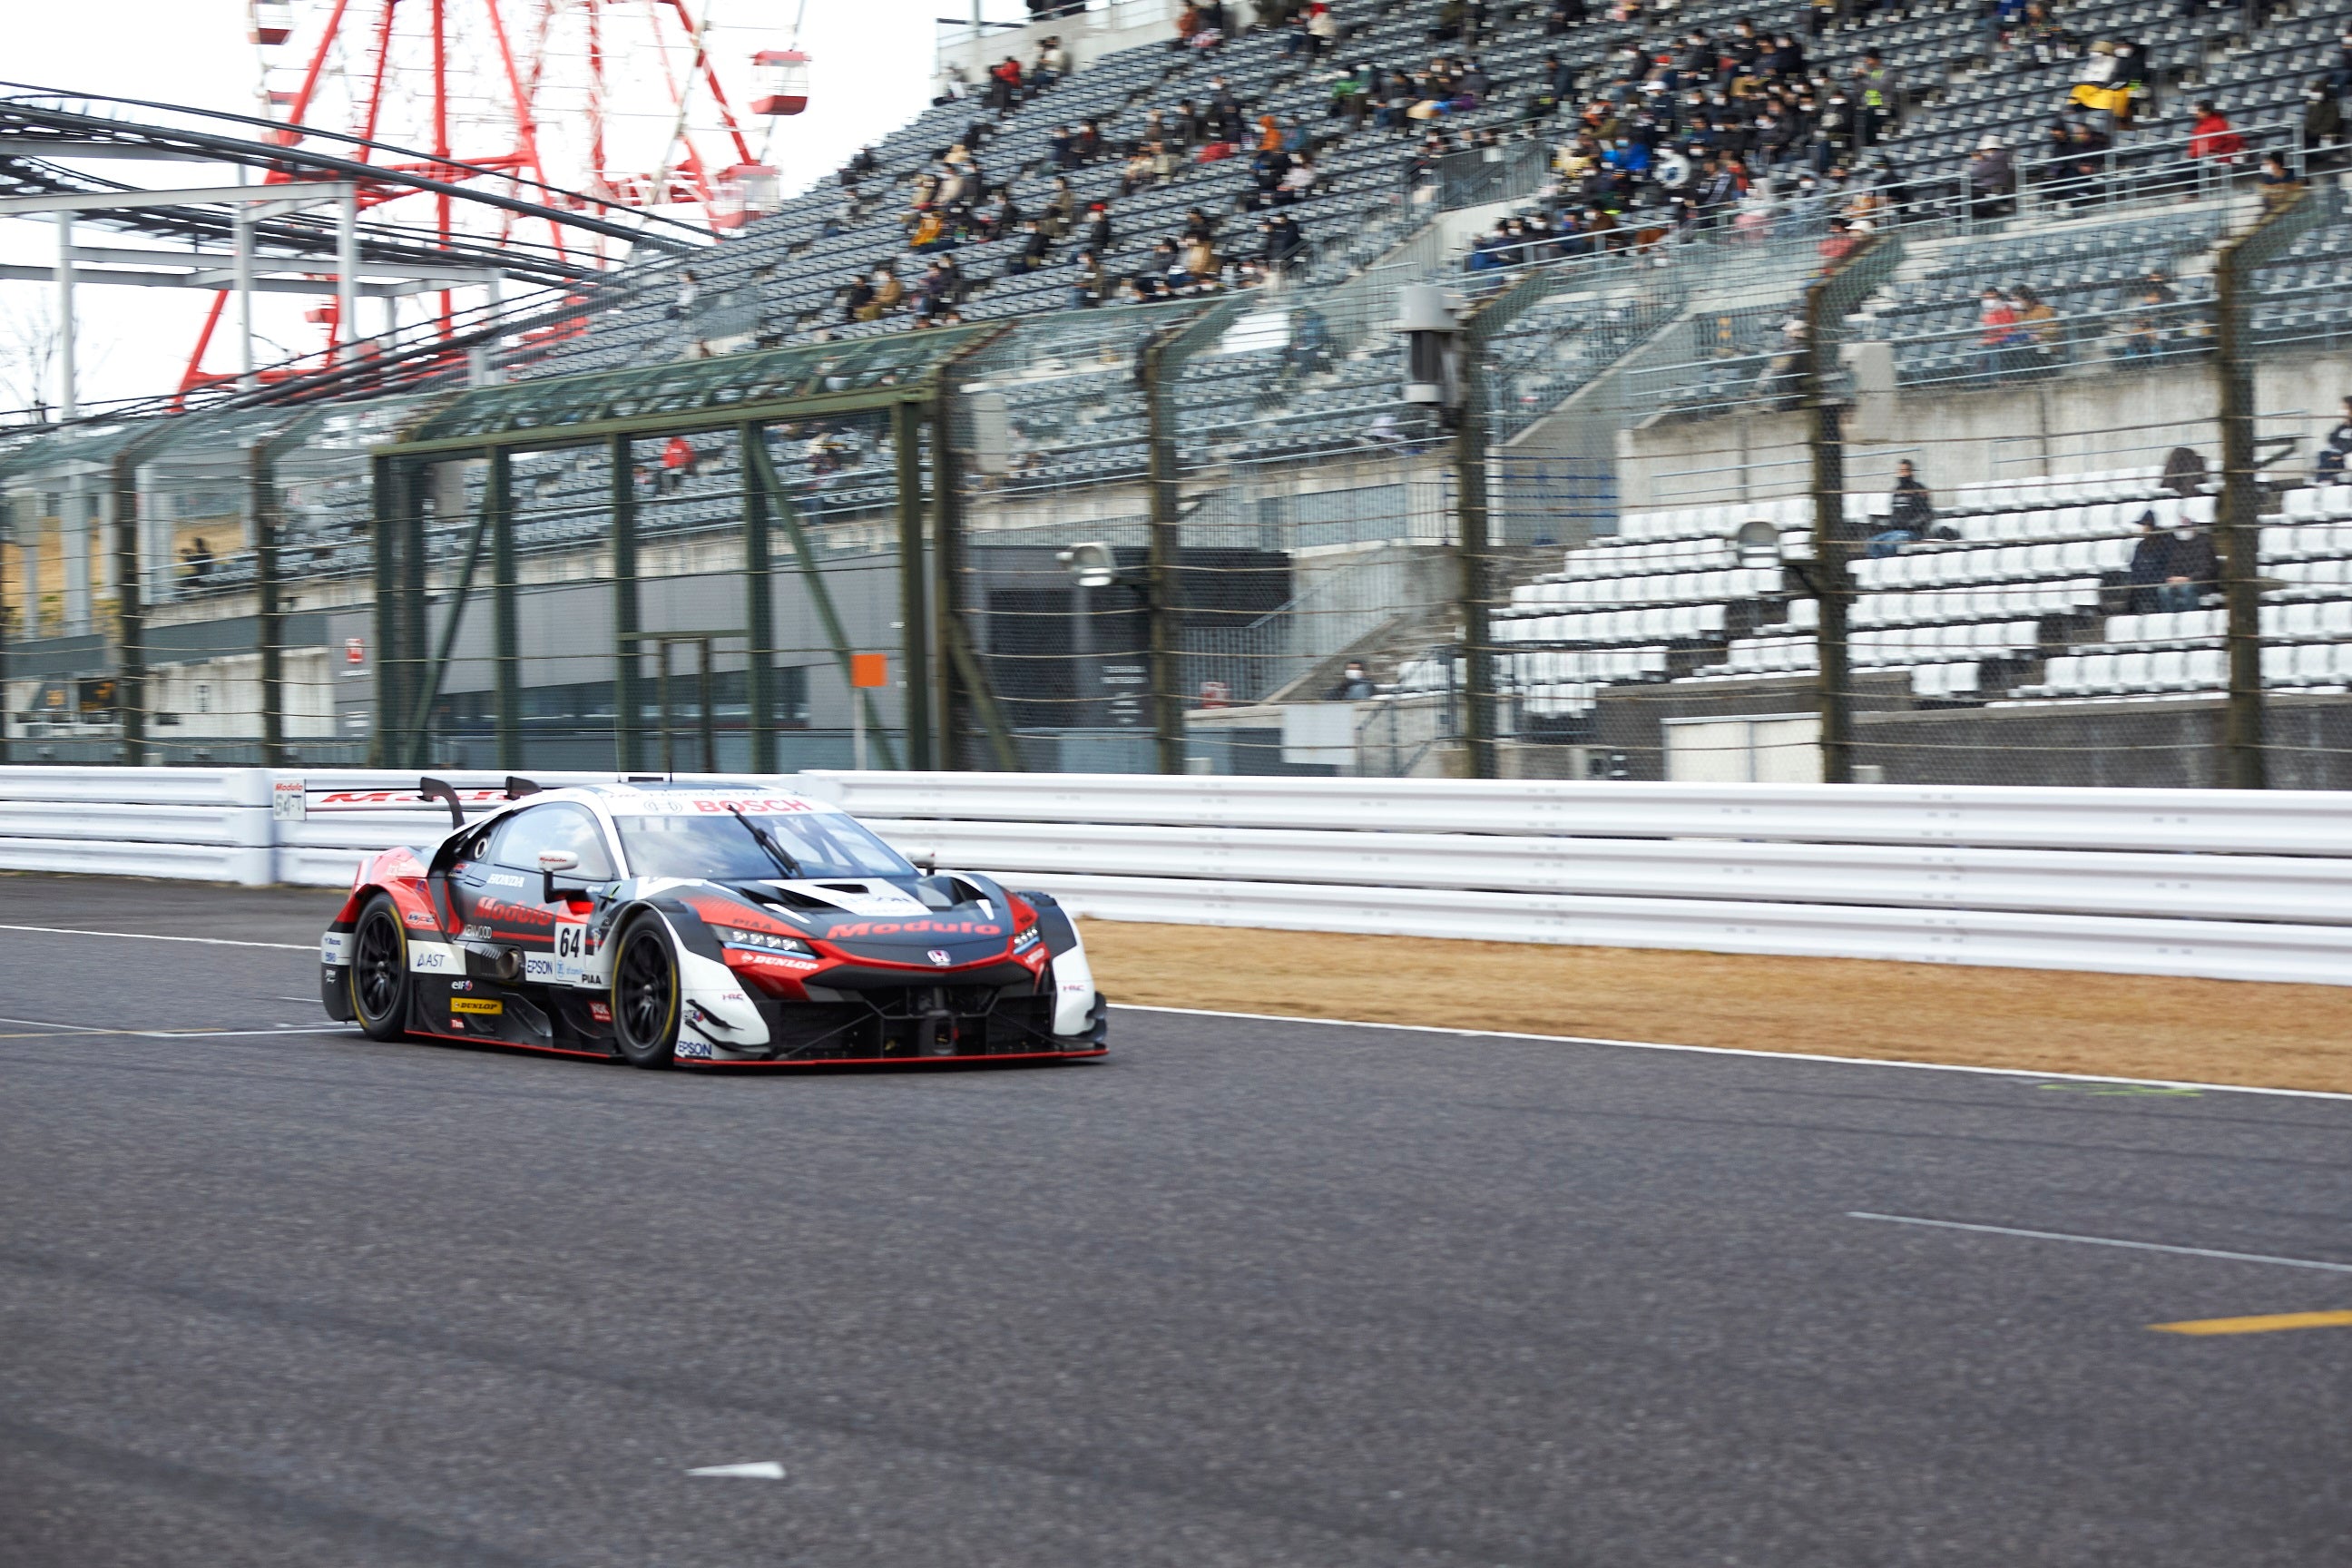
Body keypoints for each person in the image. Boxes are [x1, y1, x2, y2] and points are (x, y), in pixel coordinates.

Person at [2315, 395, 2352, 481]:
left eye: (2344, 408)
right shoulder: (2343, 426)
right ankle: (2323, 481)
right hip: (2336, 455)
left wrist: (2342, 455)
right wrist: (2346, 423)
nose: (2342, 411)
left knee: (2326, 465)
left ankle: (2323, 482)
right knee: (2323, 455)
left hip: (2346, 458)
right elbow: (2331, 438)